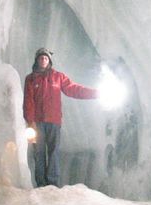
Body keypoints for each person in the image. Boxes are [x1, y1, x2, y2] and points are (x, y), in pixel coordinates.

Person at [23, 47, 98, 187]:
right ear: (37, 60)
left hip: (54, 122)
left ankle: (52, 185)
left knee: (53, 153)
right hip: (36, 123)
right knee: (38, 154)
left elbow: (73, 89)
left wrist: (95, 93)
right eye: (41, 58)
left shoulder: (58, 77)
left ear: (49, 61)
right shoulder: (30, 79)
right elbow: (28, 101)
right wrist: (30, 122)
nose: (43, 60)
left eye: (45, 58)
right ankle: (41, 185)